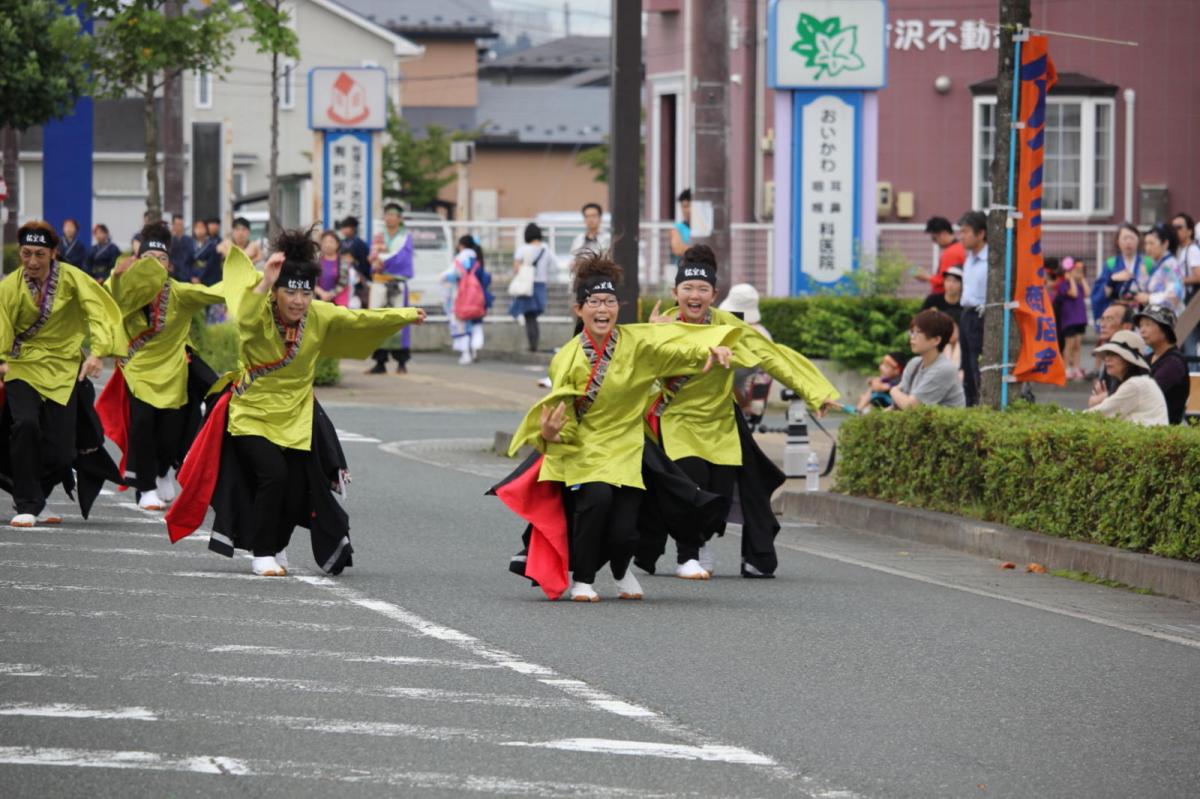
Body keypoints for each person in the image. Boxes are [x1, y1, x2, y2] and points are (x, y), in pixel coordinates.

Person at [164, 230, 427, 576]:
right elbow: (243, 316)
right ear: (276, 292)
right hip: (251, 414)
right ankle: (261, 552)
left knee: (294, 488)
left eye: (305, 292)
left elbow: (360, 319)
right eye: (290, 291)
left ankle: (277, 544)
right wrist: (264, 284)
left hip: (297, 417)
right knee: (273, 475)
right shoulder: (260, 315)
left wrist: (406, 315)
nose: (299, 301)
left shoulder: (318, 315)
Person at [493, 251, 741, 602]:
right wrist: (548, 435)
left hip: (627, 448)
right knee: (596, 501)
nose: (603, 308)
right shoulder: (566, 358)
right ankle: (583, 578)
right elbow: (559, 416)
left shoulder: (636, 343)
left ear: (618, 307)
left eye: (609, 301)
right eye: (594, 301)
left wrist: (711, 351)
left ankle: (622, 569)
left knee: (626, 530)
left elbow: (677, 351)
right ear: (580, 310)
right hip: (585, 449)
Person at [641, 244, 840, 579]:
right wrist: (654, 337)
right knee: (691, 483)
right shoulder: (660, 325)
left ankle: (704, 540)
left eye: (702, 289)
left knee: (720, 491)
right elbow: (634, 366)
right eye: (687, 288)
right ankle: (688, 553)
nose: (694, 295)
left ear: (714, 294)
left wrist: (816, 392)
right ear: (675, 292)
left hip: (720, 420)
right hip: (676, 419)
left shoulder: (730, 327)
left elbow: (772, 356)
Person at [0, 221, 126, 527]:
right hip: (23, 365)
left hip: (63, 367)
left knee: (63, 452)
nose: (32, 261)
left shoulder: (72, 280)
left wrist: (97, 352)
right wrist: (2, 359)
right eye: (26, 253)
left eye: (40, 254)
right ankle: (27, 503)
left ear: (54, 253)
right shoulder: (9, 287)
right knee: (26, 425)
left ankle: (35, 495)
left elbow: (100, 311)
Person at [95, 222, 225, 510]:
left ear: (169, 266)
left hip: (173, 370)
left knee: (170, 433)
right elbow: (105, 301)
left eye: (161, 259)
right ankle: (146, 488)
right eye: (148, 260)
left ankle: (164, 468)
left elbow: (219, 292)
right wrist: (117, 276)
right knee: (141, 424)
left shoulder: (180, 293)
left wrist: (261, 283)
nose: (155, 265)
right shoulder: (124, 290)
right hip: (138, 370)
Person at [366, 203, 415, 374]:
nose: (390, 218)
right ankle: (380, 361)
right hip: (380, 282)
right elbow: (372, 257)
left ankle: (401, 362)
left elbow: (404, 260)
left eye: (393, 215)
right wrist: (375, 261)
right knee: (378, 322)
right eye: (387, 214)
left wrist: (384, 261)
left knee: (399, 322)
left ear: (400, 218)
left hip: (397, 283)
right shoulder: (379, 236)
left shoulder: (406, 237)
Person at [1085, 330, 1168, 426]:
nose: (1107, 359)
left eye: (1114, 354)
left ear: (1128, 361)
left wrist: (1069, 418)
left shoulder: (1135, 384)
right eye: (1107, 354)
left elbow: (1100, 413)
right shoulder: (1140, 382)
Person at [719, 283, 774, 424]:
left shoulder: (726, 331)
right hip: (742, 402)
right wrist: (755, 407)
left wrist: (745, 405)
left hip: (733, 403)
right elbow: (765, 375)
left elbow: (724, 376)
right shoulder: (763, 334)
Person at [889, 309, 966, 410]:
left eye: (918, 332)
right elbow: (898, 405)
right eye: (911, 332)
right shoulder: (914, 363)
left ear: (936, 340)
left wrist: (893, 390)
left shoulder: (944, 369)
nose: (912, 338)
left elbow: (911, 407)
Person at [1134, 304, 1189, 425]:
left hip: (1164, 432)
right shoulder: (1146, 359)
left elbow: (1146, 394)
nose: (1142, 330)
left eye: (1148, 324)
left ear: (1165, 330)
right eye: (1141, 325)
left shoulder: (1174, 363)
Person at [1091, 223, 1150, 330]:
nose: (1128, 242)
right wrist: (1112, 279)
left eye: (1132, 237)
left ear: (1138, 240)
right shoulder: (1111, 263)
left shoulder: (1148, 262)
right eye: (1124, 238)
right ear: (1117, 242)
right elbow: (1100, 294)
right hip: (1118, 316)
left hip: (1142, 313)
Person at [443, 235, 491, 365]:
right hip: (477, 299)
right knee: (476, 325)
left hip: (461, 299)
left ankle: (466, 354)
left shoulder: (460, 259)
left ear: (461, 245)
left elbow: (450, 276)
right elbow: (485, 280)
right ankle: (475, 350)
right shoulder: (477, 260)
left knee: (462, 326)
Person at [509, 222, 556, 353]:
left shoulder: (523, 249)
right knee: (533, 317)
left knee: (529, 316)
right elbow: (553, 265)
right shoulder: (546, 249)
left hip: (527, 285)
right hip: (541, 285)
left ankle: (532, 345)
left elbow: (516, 268)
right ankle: (533, 344)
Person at [957, 210, 989, 406]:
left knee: (978, 363)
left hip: (981, 316)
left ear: (981, 234)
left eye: (966, 231)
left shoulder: (990, 260)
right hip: (966, 315)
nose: (962, 236)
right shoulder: (969, 259)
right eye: (960, 232)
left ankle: (981, 401)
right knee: (966, 365)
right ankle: (970, 403)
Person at [1050, 257, 1089, 381]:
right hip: (1069, 320)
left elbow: (1087, 293)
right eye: (1075, 270)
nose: (1078, 273)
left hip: (1080, 319)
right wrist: (1071, 278)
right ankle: (1066, 368)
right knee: (1069, 345)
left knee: (1078, 345)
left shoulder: (1079, 285)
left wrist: (1082, 279)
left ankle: (1076, 368)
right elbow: (1074, 293)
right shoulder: (1063, 285)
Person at [1134, 223, 1183, 313]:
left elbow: (1174, 295)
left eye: (1151, 243)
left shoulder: (1170, 265)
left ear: (1165, 244)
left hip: (1169, 318)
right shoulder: (1156, 264)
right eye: (1146, 244)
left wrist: (1149, 298)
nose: (1147, 248)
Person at [917, 216, 966, 296]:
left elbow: (946, 281)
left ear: (943, 234)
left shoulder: (951, 253)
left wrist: (926, 277)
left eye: (934, 238)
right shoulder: (958, 248)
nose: (934, 242)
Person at [1094, 302, 1135, 392]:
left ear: (1127, 326)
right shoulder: (1109, 352)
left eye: (1109, 319)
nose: (1102, 325)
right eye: (1102, 319)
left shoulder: (1132, 360)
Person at [338, 215, 371, 307]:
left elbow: (365, 263)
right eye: (342, 227)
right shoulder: (341, 242)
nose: (343, 230)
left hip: (358, 278)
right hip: (343, 276)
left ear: (353, 228)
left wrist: (364, 276)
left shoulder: (360, 244)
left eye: (346, 227)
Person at [568, 202, 610, 268]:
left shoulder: (608, 239)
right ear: (584, 219)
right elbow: (571, 261)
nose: (591, 220)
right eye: (587, 216)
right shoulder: (578, 239)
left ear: (600, 218)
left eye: (594, 216)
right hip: (582, 275)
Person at [314, 230, 351, 305]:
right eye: (325, 242)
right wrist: (321, 293)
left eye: (331, 242)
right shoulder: (316, 260)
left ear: (337, 244)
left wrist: (329, 294)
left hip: (337, 302)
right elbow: (310, 280)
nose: (328, 245)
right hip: (317, 300)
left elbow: (343, 283)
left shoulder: (343, 262)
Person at [168, 214, 195, 281]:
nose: (179, 227)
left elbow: (191, 257)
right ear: (173, 225)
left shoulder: (189, 240)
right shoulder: (170, 240)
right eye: (177, 224)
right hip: (172, 275)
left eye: (181, 224)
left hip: (186, 275)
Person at [669, 189, 692, 262]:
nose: (686, 211)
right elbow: (678, 249)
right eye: (683, 207)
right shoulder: (678, 228)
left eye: (688, 206)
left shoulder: (703, 229)